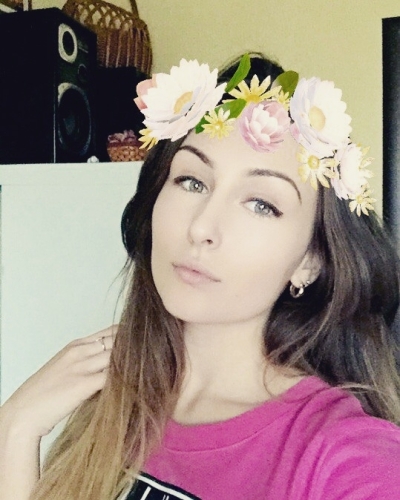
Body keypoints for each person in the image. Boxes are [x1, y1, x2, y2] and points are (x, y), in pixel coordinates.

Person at [1, 52, 400, 500]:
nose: (201, 227)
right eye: (192, 181)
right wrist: (16, 429)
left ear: (311, 260)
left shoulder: (346, 457)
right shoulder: (109, 399)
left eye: (261, 204)